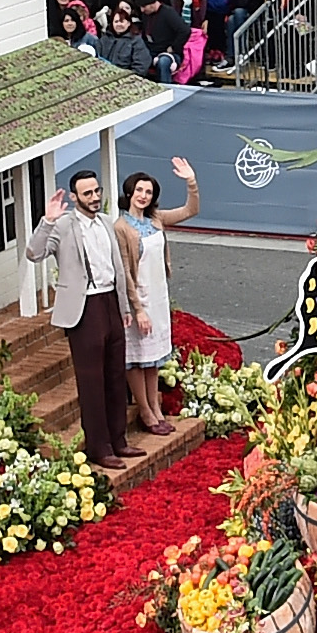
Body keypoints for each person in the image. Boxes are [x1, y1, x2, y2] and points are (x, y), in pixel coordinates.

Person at [21, 168, 136, 470]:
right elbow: (34, 253)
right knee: (92, 381)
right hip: (83, 307)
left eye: (97, 191)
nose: (95, 197)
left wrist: (124, 307)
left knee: (115, 375)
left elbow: (118, 268)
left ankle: (119, 439)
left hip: (110, 299)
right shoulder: (63, 226)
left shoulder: (107, 223)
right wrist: (47, 221)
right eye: (87, 194)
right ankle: (99, 446)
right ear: (74, 197)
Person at [116, 156, 199, 438]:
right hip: (137, 300)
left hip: (159, 296)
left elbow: (191, 210)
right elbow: (125, 271)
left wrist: (190, 181)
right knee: (136, 357)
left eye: (148, 192)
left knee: (152, 358)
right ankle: (144, 410)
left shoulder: (156, 220)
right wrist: (136, 308)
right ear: (129, 191)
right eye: (139, 190)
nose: (143, 196)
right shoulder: (121, 227)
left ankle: (156, 407)